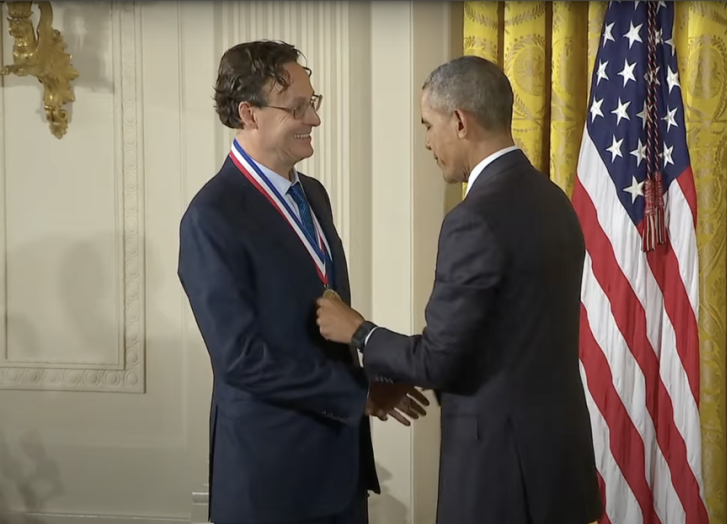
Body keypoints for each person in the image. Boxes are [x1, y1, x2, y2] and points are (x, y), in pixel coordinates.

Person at [315, 55, 603, 524]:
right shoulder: (554, 200)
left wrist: (359, 332)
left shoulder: (472, 220)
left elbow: (437, 360)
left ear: (460, 121)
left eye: (429, 125)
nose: (428, 141)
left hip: (499, 477)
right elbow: (508, 334)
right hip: (558, 467)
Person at [177, 40, 428, 524]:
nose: (313, 119)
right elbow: (241, 362)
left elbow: (319, 321)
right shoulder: (211, 217)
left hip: (339, 467)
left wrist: (372, 365)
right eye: (298, 107)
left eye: (313, 103)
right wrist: (359, 392)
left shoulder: (313, 193)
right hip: (271, 479)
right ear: (249, 114)